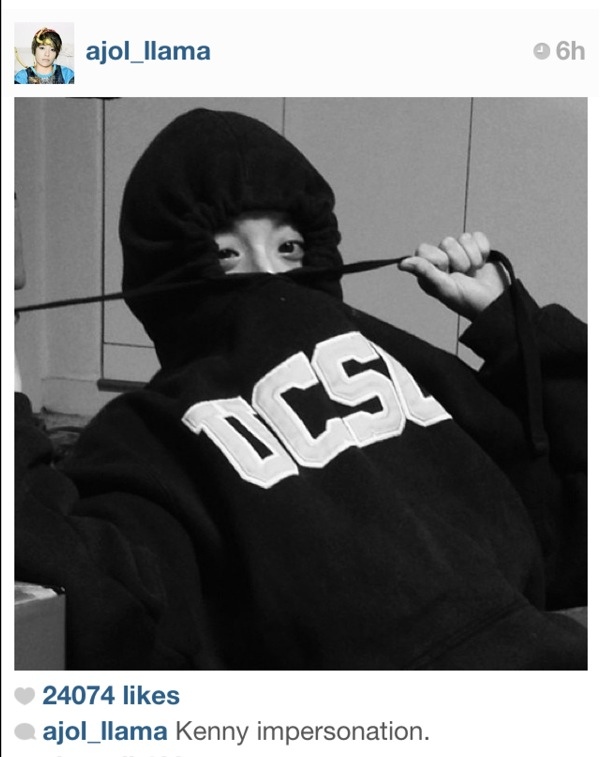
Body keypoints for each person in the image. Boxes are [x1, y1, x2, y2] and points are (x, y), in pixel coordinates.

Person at [15, 108, 587, 670]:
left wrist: (514, 329)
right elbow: (98, 606)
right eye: (225, 254)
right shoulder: (147, 433)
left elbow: (575, 521)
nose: (268, 276)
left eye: (289, 248)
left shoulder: (400, 361)